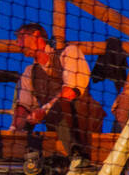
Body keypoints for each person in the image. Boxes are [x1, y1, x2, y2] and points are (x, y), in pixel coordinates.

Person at [10, 22, 105, 164]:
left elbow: (70, 91)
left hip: (84, 123)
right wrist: (13, 131)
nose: (19, 44)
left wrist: (43, 110)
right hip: (58, 128)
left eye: (21, 38)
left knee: (64, 103)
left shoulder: (70, 53)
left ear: (35, 34)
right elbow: (24, 107)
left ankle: (78, 156)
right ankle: (73, 157)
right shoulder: (30, 73)